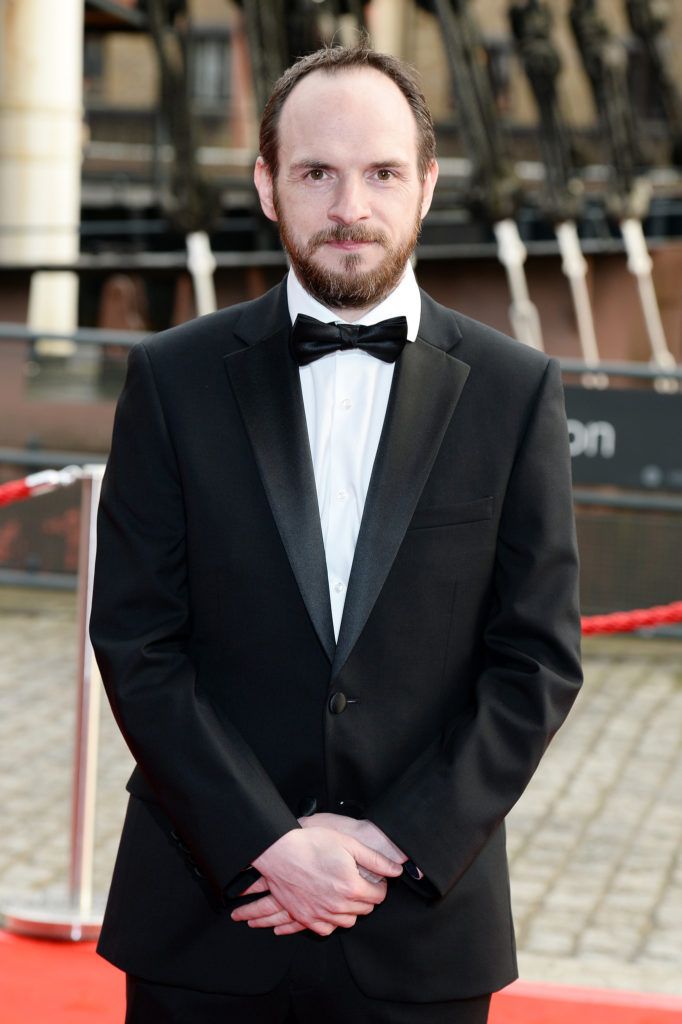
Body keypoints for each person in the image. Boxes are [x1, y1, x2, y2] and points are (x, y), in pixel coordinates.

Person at [90, 43, 582, 1024]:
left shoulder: (517, 391)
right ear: (268, 186)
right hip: (209, 913)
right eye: (317, 172)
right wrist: (264, 840)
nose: (349, 206)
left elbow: (534, 659)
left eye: (381, 173)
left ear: (426, 185)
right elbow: (138, 643)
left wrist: (387, 846)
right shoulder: (171, 379)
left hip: (418, 923)